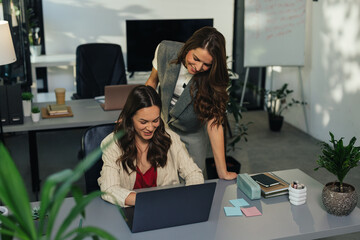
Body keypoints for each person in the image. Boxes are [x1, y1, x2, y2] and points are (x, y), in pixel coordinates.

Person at [146, 26, 237, 180]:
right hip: (163, 127)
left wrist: (222, 171)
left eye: (206, 64)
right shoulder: (165, 50)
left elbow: (214, 122)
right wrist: (133, 113)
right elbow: (151, 83)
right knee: (163, 179)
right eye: (196, 59)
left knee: (194, 181)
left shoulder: (215, 77)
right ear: (188, 47)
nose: (199, 67)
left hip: (192, 133)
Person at [98, 85, 204, 207]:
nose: (150, 128)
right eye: (143, 122)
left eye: (155, 121)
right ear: (130, 118)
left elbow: (193, 173)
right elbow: (109, 189)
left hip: (168, 208)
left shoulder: (170, 139)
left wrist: (190, 195)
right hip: (131, 210)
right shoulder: (113, 144)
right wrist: (149, 201)